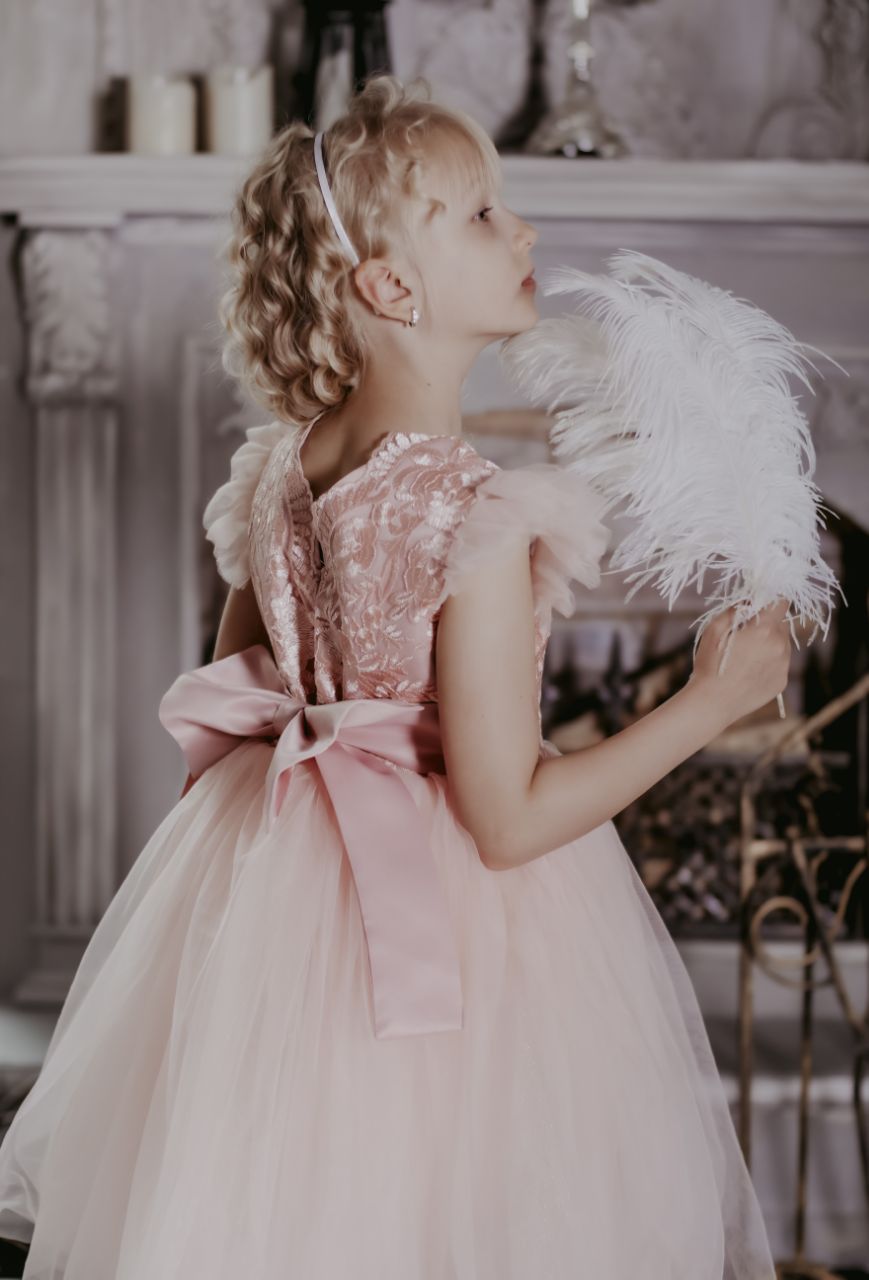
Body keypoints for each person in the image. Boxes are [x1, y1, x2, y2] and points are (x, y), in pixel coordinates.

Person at [0, 72, 789, 1279]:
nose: (520, 230)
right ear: (388, 286)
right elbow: (506, 819)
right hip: (440, 935)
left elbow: (236, 708)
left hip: (274, 895)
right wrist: (709, 701)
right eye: (480, 214)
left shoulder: (277, 474)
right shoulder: (472, 514)